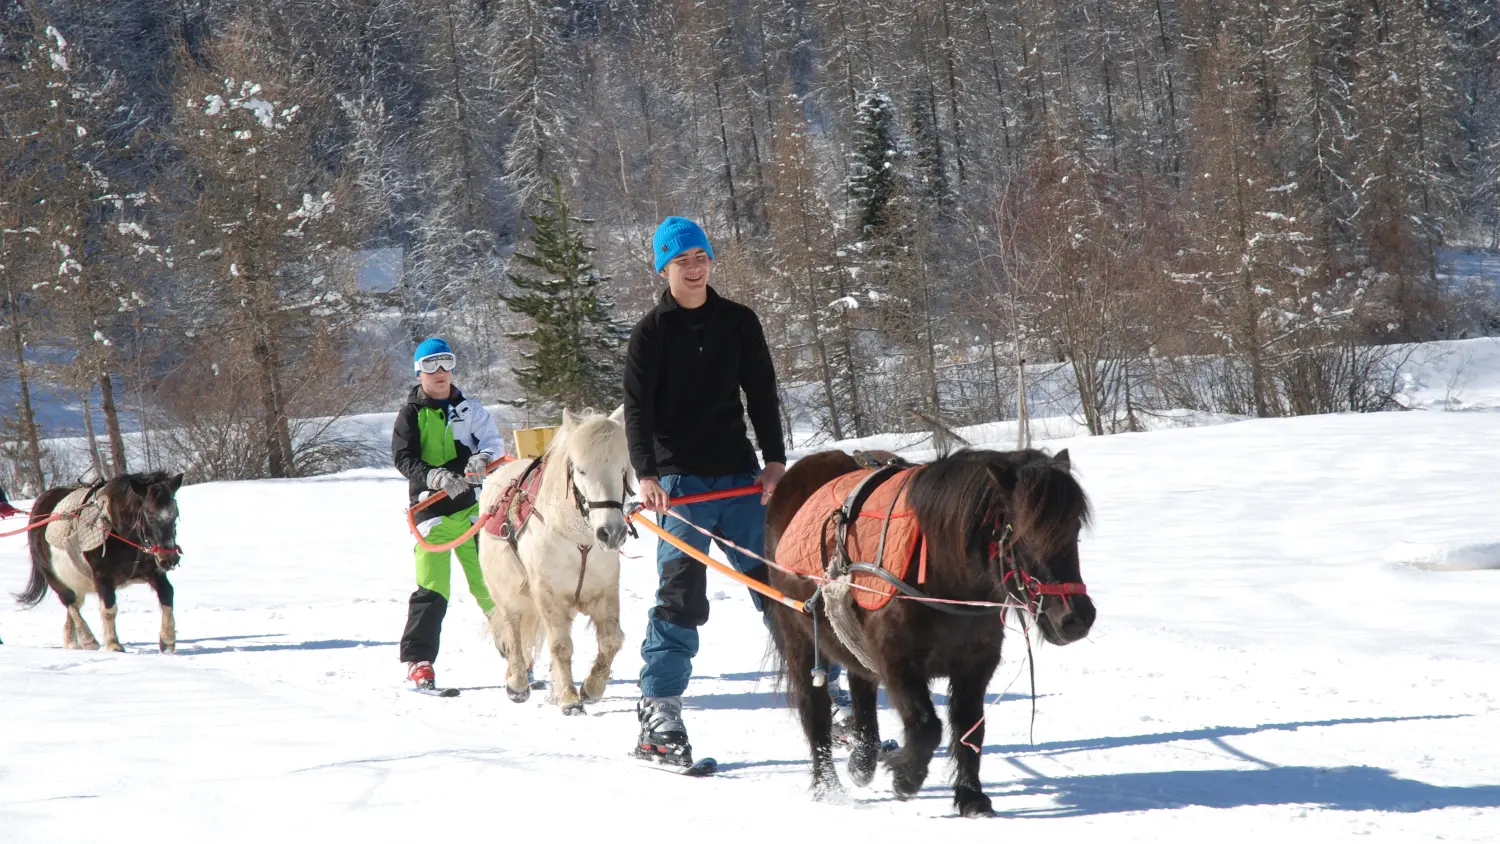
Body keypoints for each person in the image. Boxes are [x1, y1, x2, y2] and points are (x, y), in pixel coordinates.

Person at [625, 216, 849, 764]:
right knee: (680, 597)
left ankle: (829, 695)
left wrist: (774, 461)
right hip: (680, 486)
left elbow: (762, 393)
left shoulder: (739, 321)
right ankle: (659, 711)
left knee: (781, 588)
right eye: (682, 260)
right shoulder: (650, 333)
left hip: (741, 477)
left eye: (701, 257)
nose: (694, 267)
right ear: (664, 267)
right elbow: (637, 409)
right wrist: (647, 475)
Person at [391, 338, 505, 690]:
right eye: (430, 366)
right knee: (432, 587)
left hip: (471, 509)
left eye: (445, 363)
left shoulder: (469, 408)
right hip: (431, 512)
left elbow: (492, 442)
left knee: (489, 584)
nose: (439, 372)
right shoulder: (411, 414)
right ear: (419, 372)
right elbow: (403, 458)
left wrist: (482, 459)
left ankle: (517, 653)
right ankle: (419, 662)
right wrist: (434, 476)